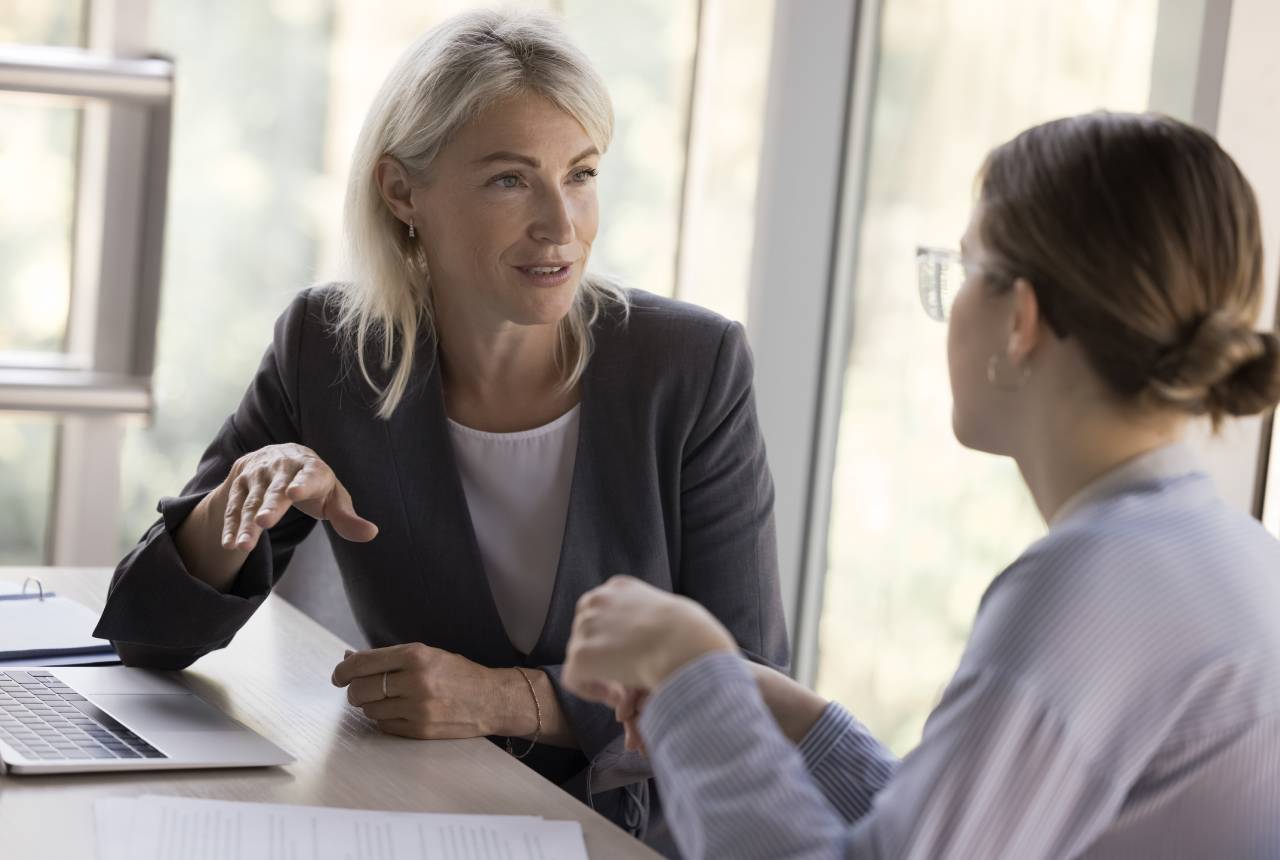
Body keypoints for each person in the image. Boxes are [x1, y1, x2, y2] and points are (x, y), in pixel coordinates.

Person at [93, 8, 787, 835]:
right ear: (401, 191)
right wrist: (236, 506)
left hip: (644, 834)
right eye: (509, 178)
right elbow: (142, 635)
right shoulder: (332, 350)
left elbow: (750, 682)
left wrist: (508, 698)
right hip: (417, 817)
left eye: (581, 173)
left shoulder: (690, 365)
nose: (561, 226)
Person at [562, 111, 1280, 858]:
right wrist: (781, 712)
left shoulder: (1094, 584)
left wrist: (690, 676)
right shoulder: (1225, 552)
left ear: (1021, 321)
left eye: (965, 270)